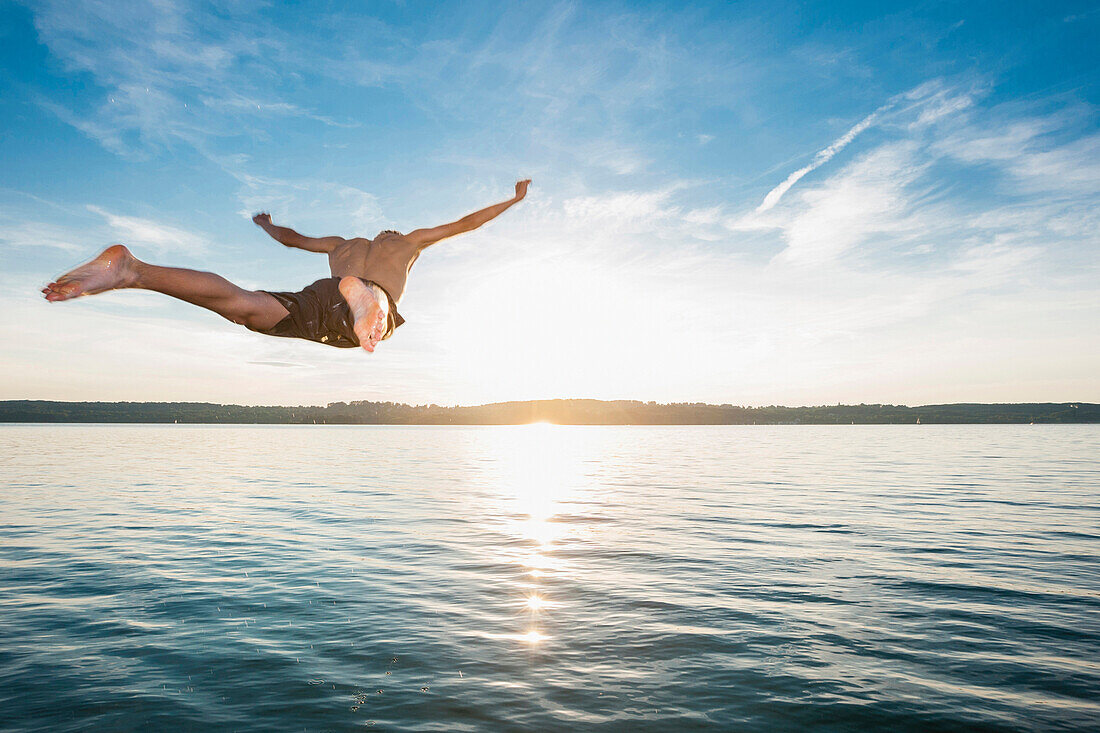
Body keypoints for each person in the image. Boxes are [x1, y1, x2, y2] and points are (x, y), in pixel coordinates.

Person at [43, 179, 531, 352]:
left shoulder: (340, 243)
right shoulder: (408, 243)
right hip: (357, 297)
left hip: (322, 294)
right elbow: (465, 224)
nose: (390, 231)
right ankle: (366, 302)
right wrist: (512, 200)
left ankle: (135, 271)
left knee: (244, 307)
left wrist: (266, 226)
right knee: (374, 294)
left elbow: (293, 240)